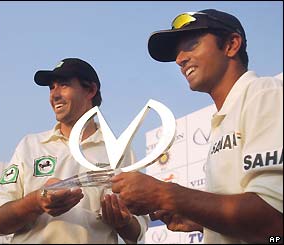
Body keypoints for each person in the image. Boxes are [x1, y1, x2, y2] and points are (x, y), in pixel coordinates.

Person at [111, 9, 283, 244]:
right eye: (177, 53)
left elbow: (275, 225)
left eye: (192, 44)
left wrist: (165, 195)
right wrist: (200, 221)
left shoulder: (264, 94)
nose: (180, 59)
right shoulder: (224, 119)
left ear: (231, 45)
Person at [0, 58, 148, 243]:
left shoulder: (119, 150)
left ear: (90, 90)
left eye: (63, 85)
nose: (54, 94)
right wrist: (36, 202)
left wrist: (124, 222)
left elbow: (138, 231)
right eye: (51, 87)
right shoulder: (30, 145)